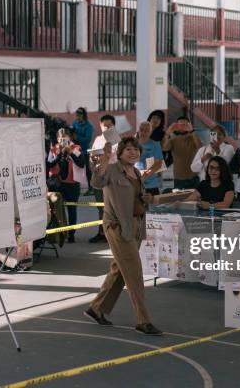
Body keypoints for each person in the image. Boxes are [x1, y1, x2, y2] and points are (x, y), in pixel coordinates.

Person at [85, 137, 162, 336]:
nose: (133, 152)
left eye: (136, 150)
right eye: (128, 149)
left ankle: (96, 308)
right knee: (134, 273)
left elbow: (135, 198)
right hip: (118, 227)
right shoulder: (112, 169)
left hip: (136, 225)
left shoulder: (135, 172)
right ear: (120, 153)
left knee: (119, 269)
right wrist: (104, 160)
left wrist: (145, 199)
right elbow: (96, 182)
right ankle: (143, 321)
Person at [46, 128, 85, 243]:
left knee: (72, 209)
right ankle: (60, 234)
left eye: (65, 138)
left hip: (73, 184)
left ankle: (71, 233)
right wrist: (58, 155)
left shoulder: (76, 148)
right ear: (57, 139)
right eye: (60, 138)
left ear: (70, 138)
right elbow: (48, 164)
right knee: (57, 209)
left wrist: (70, 152)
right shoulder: (53, 149)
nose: (63, 140)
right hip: (58, 185)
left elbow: (81, 163)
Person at [88, 115, 118, 243]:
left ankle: (112, 233)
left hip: (112, 177)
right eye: (104, 126)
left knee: (111, 207)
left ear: (114, 126)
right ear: (100, 126)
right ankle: (101, 232)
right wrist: (92, 162)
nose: (107, 128)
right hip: (99, 175)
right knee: (100, 206)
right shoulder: (98, 139)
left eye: (109, 126)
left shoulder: (118, 140)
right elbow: (92, 155)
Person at [162, 116, 202, 190]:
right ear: (177, 125)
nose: (183, 125)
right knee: (179, 200)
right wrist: (167, 134)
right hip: (178, 178)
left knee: (195, 200)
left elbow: (199, 146)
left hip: (193, 177)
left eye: (185, 123)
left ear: (189, 125)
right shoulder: (173, 139)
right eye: (181, 123)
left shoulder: (193, 137)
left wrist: (192, 131)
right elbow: (165, 148)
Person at [135, 122, 164, 196]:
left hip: (151, 185)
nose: (143, 132)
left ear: (150, 132)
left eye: (146, 130)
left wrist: (144, 176)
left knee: (153, 206)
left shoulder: (155, 144)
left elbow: (159, 164)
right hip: (134, 183)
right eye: (141, 130)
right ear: (138, 131)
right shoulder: (133, 144)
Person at [72, 107, 94, 195]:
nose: (77, 117)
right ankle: (75, 187)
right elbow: (72, 131)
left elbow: (87, 139)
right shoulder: (75, 123)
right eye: (77, 115)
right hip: (75, 150)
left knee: (87, 170)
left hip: (84, 151)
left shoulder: (89, 126)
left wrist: (77, 137)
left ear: (84, 116)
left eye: (79, 115)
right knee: (75, 168)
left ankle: (91, 187)